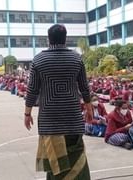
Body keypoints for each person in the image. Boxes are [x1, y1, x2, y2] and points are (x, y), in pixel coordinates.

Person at [24, 24, 92, 180]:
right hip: (73, 120)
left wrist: (27, 114)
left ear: (48, 39)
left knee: (55, 164)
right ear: (66, 38)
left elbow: (32, 91)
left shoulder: (38, 60)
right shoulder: (76, 58)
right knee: (76, 158)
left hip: (49, 122)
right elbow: (84, 88)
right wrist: (89, 109)